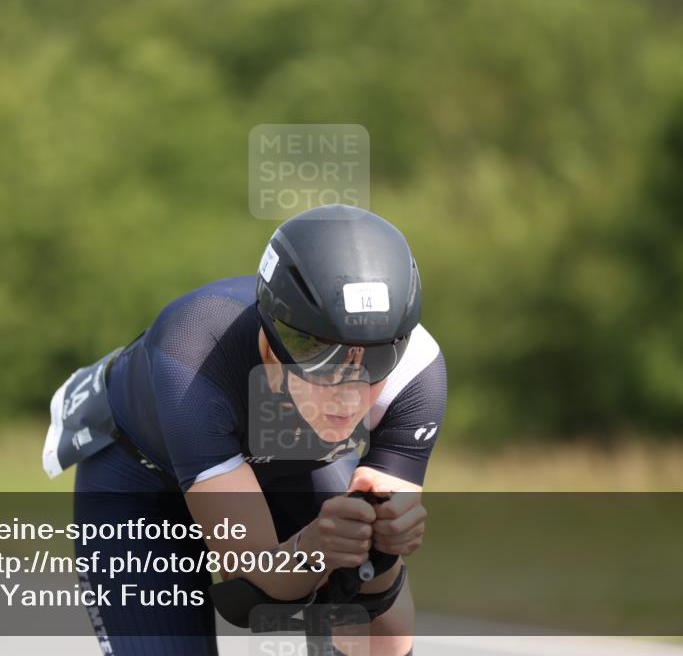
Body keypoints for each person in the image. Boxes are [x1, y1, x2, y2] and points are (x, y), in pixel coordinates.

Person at [50, 204, 447, 656]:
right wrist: (313, 548)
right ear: (276, 341)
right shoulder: (193, 359)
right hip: (140, 481)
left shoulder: (419, 372)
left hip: (287, 456)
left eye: (376, 358)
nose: (348, 392)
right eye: (321, 358)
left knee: (380, 627)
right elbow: (253, 583)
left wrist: (385, 552)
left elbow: (379, 600)